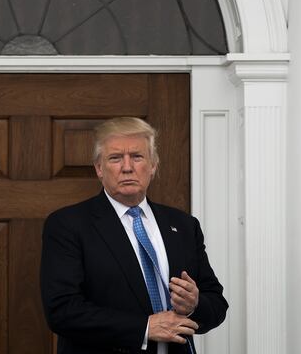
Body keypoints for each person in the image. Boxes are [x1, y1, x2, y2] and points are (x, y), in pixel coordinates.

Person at [40, 117, 228, 354]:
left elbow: (217, 305)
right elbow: (62, 310)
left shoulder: (183, 225)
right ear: (99, 168)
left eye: (137, 157)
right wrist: (145, 327)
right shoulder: (68, 225)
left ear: (153, 166)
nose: (127, 167)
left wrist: (194, 305)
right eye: (115, 158)